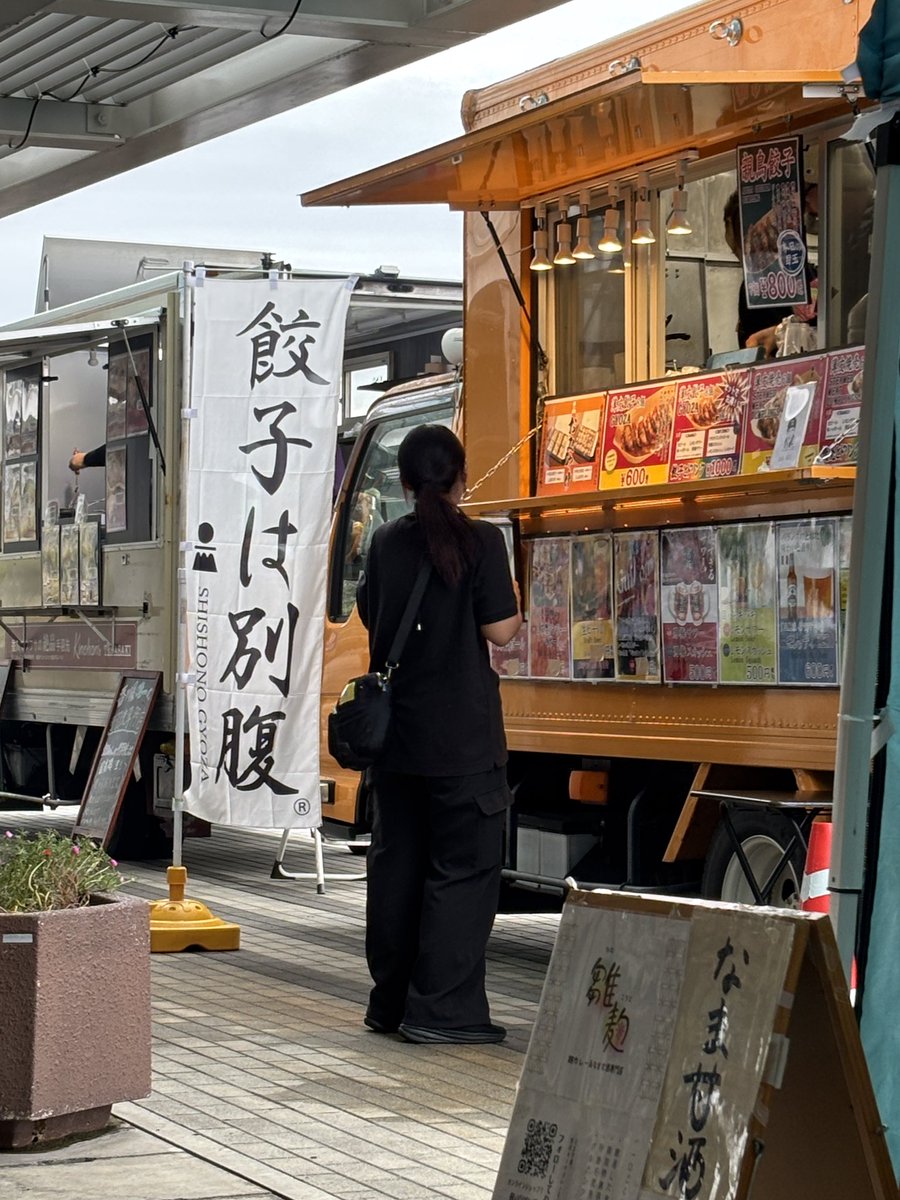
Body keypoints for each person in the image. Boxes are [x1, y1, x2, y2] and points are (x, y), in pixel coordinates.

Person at [357, 425, 522, 1046]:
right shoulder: (480, 540)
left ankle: (391, 1004)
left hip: (397, 741)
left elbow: (373, 615)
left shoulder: (383, 544)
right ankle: (444, 1011)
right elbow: (502, 632)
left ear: (401, 482)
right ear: (461, 477)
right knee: (461, 871)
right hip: (464, 743)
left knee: (398, 868)